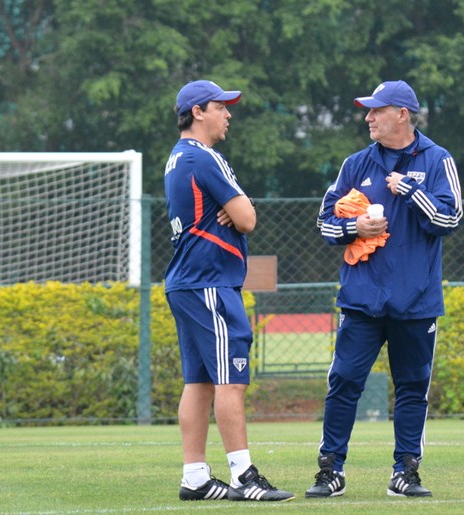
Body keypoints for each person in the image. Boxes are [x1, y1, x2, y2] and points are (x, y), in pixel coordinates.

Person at [306, 80, 463, 499]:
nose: (368, 117)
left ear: (402, 114)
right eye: (368, 111)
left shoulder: (437, 159)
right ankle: (330, 470)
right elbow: (324, 222)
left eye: (377, 110)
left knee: (412, 388)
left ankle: (405, 472)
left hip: (416, 301)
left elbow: (450, 220)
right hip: (361, 300)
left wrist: (413, 192)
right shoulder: (355, 164)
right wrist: (353, 227)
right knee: (343, 382)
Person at [164, 79, 294, 503]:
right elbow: (247, 218)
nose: (229, 114)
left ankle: (196, 477)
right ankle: (243, 476)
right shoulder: (204, 158)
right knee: (230, 380)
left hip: (187, 282)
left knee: (198, 382)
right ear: (198, 111)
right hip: (210, 282)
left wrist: (237, 207)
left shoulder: (177, 158)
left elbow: (237, 213)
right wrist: (241, 205)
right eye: (221, 107)